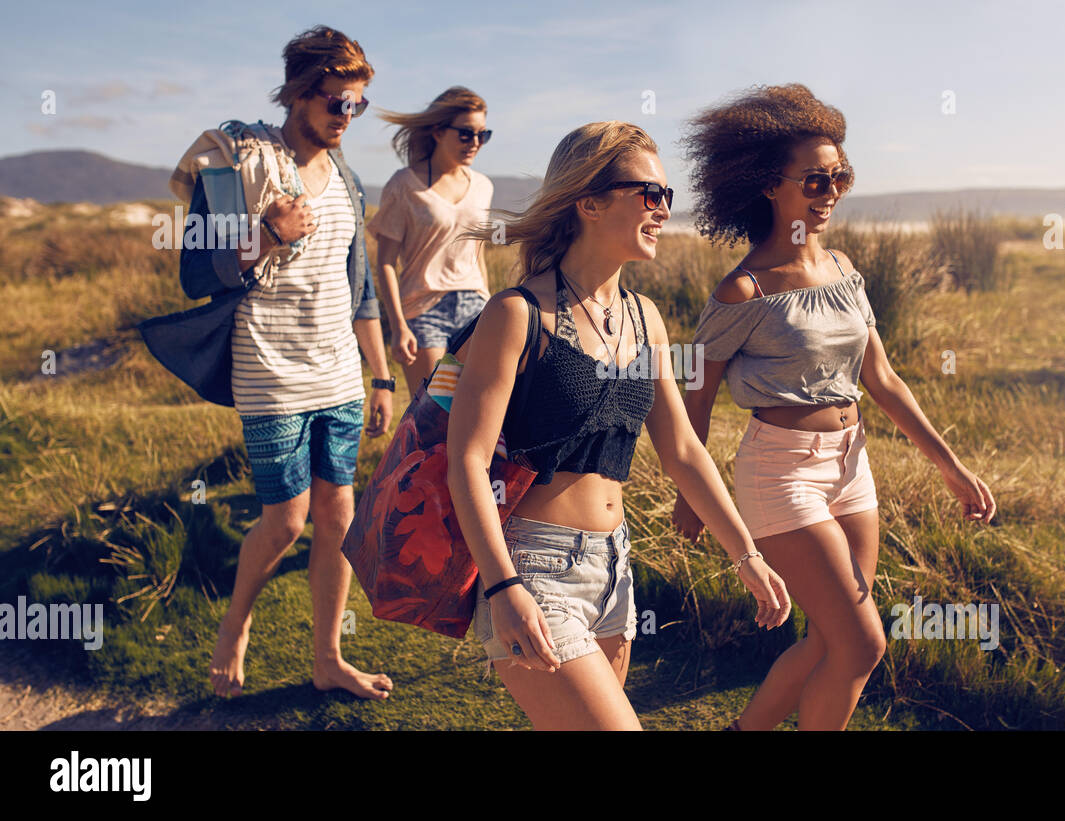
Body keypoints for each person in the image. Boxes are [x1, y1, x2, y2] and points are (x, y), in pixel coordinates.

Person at [446, 121, 791, 730]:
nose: (662, 209)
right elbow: (467, 461)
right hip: (533, 566)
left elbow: (682, 450)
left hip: (613, 569)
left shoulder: (645, 317)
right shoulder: (515, 314)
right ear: (590, 201)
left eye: (667, 196)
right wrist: (502, 588)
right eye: (649, 194)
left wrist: (746, 555)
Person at [673, 83, 997, 730]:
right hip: (780, 472)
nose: (832, 192)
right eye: (816, 181)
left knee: (829, 639)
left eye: (840, 177)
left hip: (852, 466)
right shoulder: (744, 290)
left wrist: (951, 467)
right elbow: (695, 397)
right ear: (772, 185)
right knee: (863, 642)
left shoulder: (845, 269)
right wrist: (694, 494)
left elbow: (882, 379)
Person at [144, 26, 396, 699]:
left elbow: (361, 287)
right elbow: (198, 272)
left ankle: (327, 656)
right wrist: (265, 234)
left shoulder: (346, 178)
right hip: (269, 371)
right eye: (335, 103)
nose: (346, 118)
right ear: (297, 93)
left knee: (338, 514)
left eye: (357, 106)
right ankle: (235, 624)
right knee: (286, 519)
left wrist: (380, 376)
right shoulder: (237, 164)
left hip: (339, 370)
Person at [369, 87, 495, 400]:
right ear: (438, 131)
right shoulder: (404, 184)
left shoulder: (482, 186)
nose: (475, 143)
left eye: (483, 135)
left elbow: (477, 252)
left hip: (475, 307)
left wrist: (489, 302)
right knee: (432, 412)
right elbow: (385, 261)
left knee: (476, 408)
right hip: (424, 309)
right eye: (466, 134)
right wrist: (398, 325)